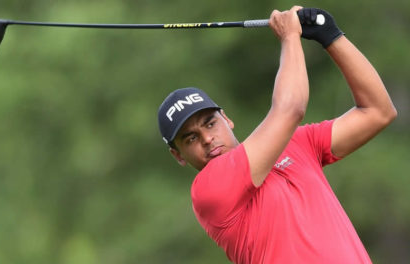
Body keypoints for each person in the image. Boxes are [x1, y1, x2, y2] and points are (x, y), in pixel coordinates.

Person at [157, 6, 397, 264]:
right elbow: (291, 109)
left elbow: (378, 112)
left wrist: (331, 36)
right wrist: (289, 37)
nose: (206, 138)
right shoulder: (208, 190)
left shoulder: (296, 143)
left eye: (210, 123)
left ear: (226, 119)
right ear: (178, 155)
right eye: (190, 138)